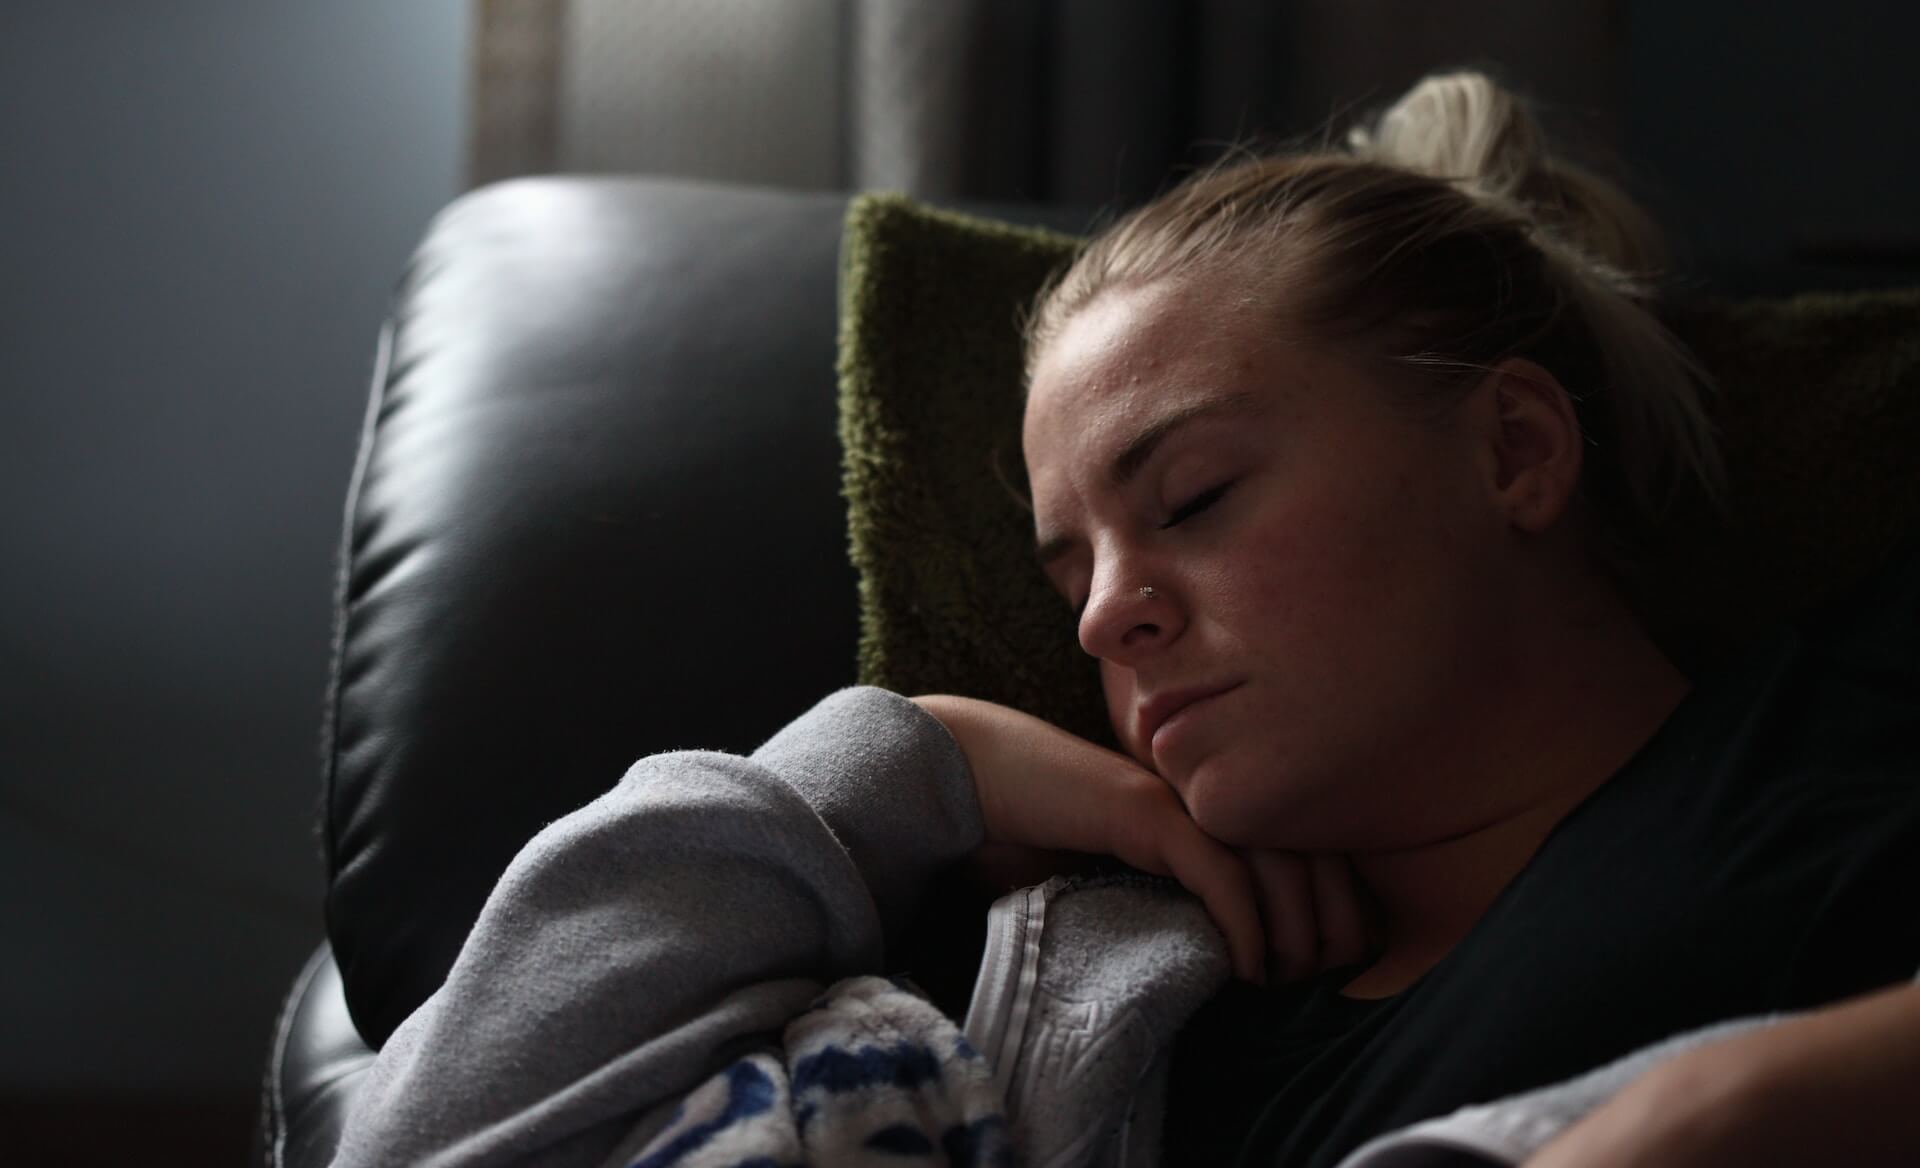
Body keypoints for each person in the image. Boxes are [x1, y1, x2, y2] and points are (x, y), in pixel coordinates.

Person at [328, 73, 1920, 1168]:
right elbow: (418, 1140)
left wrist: (1725, 1115)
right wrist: (913, 760)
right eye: (1066, 569)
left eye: (1196, 498)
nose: (1107, 619)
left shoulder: (1842, 722)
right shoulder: (1123, 992)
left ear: (1513, 451)